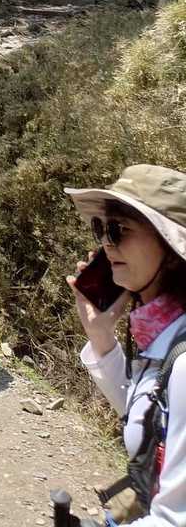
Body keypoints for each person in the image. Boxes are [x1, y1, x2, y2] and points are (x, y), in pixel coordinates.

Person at [65, 165, 186, 526]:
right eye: (101, 228)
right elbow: (150, 418)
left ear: (170, 248)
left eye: (120, 229)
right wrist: (100, 336)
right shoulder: (163, 331)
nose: (106, 242)